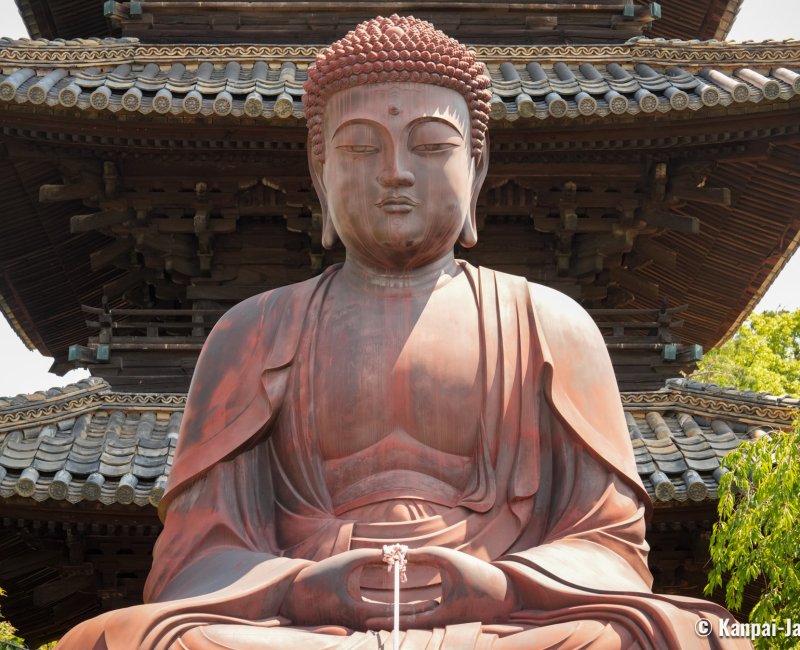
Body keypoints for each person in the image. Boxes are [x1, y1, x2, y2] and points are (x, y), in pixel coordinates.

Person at [58, 15, 750, 650]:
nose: (395, 173)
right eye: (360, 148)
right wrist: (299, 584)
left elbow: (611, 544)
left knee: (700, 634)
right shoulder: (253, 330)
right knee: (114, 642)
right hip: (303, 626)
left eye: (430, 146)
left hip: (502, 621)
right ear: (318, 173)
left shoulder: (552, 322)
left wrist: (503, 584)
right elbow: (193, 557)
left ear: (475, 170)